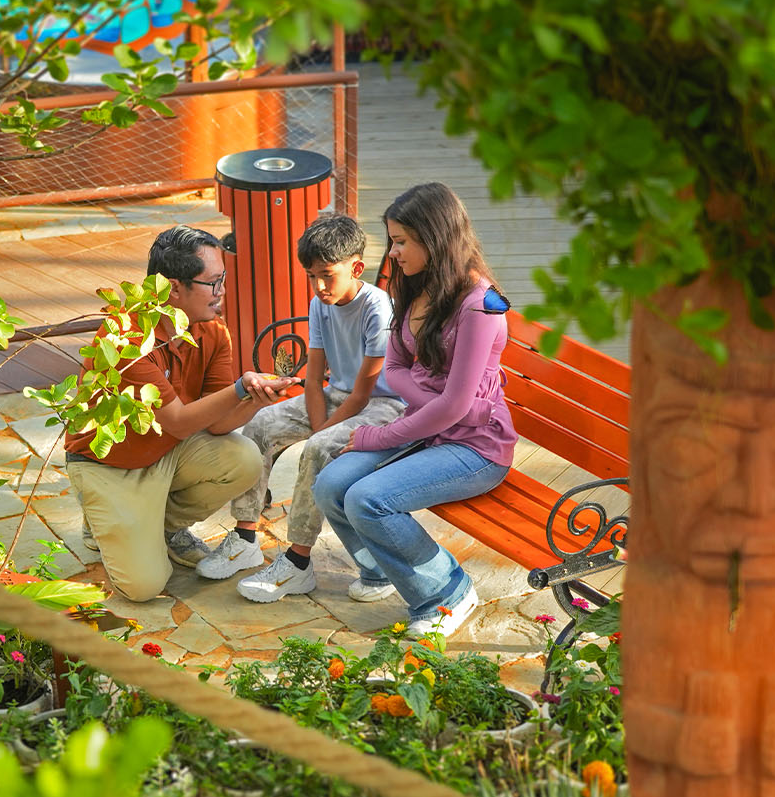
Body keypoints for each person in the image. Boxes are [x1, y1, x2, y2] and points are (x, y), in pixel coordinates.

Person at [311, 182, 516, 638]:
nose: (393, 252)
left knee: (368, 500)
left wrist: (384, 432)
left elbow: (453, 407)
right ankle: (382, 571)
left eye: (401, 241)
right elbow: (397, 369)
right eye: (393, 241)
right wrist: (439, 402)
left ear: (434, 237)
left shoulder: (480, 306)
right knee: (330, 485)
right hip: (433, 429)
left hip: (477, 448)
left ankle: (447, 593)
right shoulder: (414, 285)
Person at [64, 225, 296, 602]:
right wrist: (240, 387)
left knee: (244, 457)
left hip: (169, 451)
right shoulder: (125, 338)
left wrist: (255, 399)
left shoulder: (212, 332)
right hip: (109, 465)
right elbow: (178, 420)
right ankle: (103, 519)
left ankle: (163, 528)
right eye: (213, 283)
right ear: (173, 288)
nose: (222, 292)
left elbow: (216, 425)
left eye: (223, 280)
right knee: (143, 587)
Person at [193, 214, 409, 602]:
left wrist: (320, 433)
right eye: (312, 276)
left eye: (327, 275)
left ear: (356, 268)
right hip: (336, 395)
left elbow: (363, 393)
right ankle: (245, 536)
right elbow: (313, 379)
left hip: (383, 405)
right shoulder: (320, 304)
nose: (319, 286)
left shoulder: (378, 308)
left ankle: (298, 561)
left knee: (318, 448)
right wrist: (319, 421)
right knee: (262, 423)